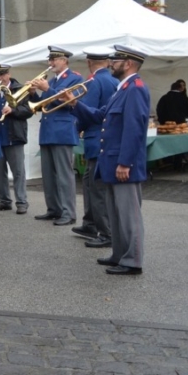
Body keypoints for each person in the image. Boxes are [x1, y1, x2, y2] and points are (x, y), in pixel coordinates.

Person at [68, 45, 150, 275]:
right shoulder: (122, 88)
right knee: (116, 214)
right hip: (112, 162)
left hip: (123, 164)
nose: (111, 64)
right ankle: (119, 254)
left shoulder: (135, 88)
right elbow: (101, 115)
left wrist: (125, 162)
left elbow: (134, 129)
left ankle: (133, 261)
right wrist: (74, 103)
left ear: (129, 64)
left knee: (129, 215)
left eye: (116, 60)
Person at [31, 46, 83, 226]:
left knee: (64, 175)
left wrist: (47, 89)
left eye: (54, 59)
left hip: (62, 131)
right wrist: (33, 93)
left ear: (64, 60)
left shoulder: (75, 78)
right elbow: (42, 105)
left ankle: (69, 213)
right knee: (48, 175)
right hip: (47, 131)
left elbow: (68, 102)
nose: (50, 63)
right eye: (49, 59)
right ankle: (53, 209)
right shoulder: (52, 80)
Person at [71, 50, 119, 247]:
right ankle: (90, 223)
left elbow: (89, 113)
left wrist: (76, 114)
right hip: (107, 139)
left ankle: (105, 232)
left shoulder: (94, 82)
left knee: (96, 189)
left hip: (95, 139)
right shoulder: (115, 81)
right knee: (90, 183)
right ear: (107, 62)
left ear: (89, 62)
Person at [0, 64, 31, 214]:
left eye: (3, 74)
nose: (0, 78)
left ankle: (21, 201)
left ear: (9, 74)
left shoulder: (19, 89)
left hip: (14, 135)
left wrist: (13, 110)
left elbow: (29, 110)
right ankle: (4, 200)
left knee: (18, 171)